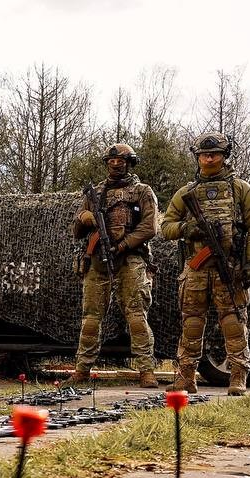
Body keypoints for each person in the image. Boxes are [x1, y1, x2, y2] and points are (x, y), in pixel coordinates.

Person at [160, 132, 250, 395]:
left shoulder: (240, 189)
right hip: (195, 268)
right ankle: (186, 378)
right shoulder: (186, 193)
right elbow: (165, 228)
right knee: (192, 323)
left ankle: (238, 376)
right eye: (204, 155)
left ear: (225, 156)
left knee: (233, 322)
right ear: (197, 157)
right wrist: (189, 228)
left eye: (215, 154)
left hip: (229, 268)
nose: (209, 159)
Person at [68, 143, 161, 389]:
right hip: (97, 259)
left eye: (120, 161)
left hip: (131, 259)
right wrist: (85, 219)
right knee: (90, 318)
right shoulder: (94, 193)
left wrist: (122, 245)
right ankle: (82, 370)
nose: (115, 164)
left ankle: (146, 370)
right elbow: (76, 231)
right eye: (111, 161)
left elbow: (150, 228)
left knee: (136, 316)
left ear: (130, 163)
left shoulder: (142, 191)